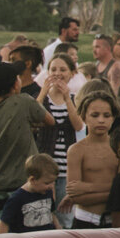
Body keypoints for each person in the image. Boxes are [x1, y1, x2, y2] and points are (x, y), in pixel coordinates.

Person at [0, 60, 53, 222]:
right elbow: (49, 121)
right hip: (24, 181)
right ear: (16, 84)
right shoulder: (23, 101)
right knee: (30, 228)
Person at [62, 89, 120, 228]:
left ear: (113, 117)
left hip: (115, 220)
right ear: (84, 117)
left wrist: (88, 187)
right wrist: (112, 192)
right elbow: (76, 196)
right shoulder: (76, 150)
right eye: (95, 115)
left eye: (106, 115)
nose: (101, 120)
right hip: (85, 219)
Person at [37, 52, 81, 227]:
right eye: (53, 69)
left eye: (63, 69)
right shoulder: (43, 98)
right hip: (45, 163)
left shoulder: (74, 99)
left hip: (66, 167)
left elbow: (79, 125)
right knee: (43, 214)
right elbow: (33, 117)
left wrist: (67, 98)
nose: (57, 73)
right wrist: (42, 92)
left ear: (71, 73)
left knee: (65, 215)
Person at [0, 153, 62, 233]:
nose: (51, 186)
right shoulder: (17, 198)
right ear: (32, 180)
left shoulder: (47, 192)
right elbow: (4, 222)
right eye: (47, 183)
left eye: (53, 182)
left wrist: (58, 228)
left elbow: (50, 212)